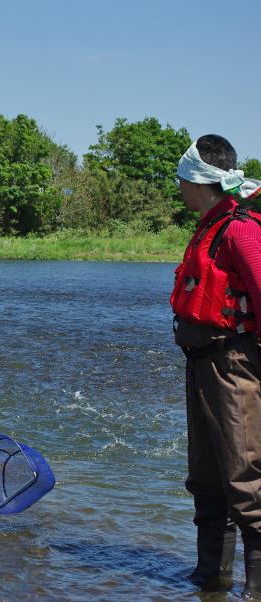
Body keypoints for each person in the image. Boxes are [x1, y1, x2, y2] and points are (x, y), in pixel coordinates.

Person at [171, 135, 261, 596]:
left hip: (234, 365)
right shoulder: (209, 224)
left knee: (244, 481)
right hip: (202, 365)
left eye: (182, 179)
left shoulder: (240, 229)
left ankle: (256, 588)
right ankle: (210, 578)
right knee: (206, 480)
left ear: (199, 181)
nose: (179, 187)